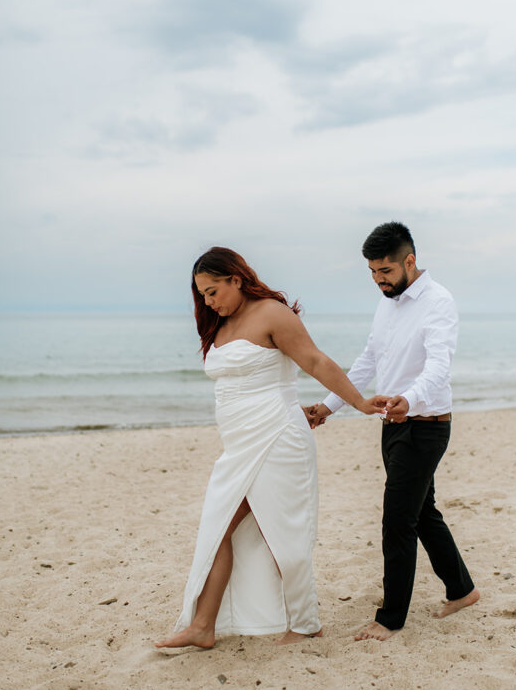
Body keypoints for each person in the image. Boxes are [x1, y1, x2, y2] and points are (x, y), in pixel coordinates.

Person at [156, 247, 387, 650]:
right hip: (240, 446)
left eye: (213, 291)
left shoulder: (273, 314)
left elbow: (314, 362)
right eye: (202, 296)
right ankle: (203, 626)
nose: (209, 302)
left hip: (278, 439)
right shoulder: (221, 324)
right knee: (218, 528)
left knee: (282, 534)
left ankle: (304, 622)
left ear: (236, 279)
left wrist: (360, 404)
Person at [307, 222, 479, 641]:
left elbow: (440, 367)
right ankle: (462, 590)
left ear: (410, 261)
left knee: (397, 520)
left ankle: (391, 619)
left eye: (384, 271)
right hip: (393, 425)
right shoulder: (387, 303)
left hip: (426, 426)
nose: (378, 280)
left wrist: (410, 399)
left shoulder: (438, 302)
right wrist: (329, 407)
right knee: (422, 512)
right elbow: (368, 360)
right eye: (371, 272)